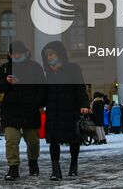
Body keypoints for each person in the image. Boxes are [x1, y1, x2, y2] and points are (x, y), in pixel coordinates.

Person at [0, 39, 45, 181]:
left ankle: (33, 162)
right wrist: (6, 82)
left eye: (19, 53)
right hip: (11, 112)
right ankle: (13, 168)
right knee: (11, 141)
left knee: (33, 142)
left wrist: (37, 103)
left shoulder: (35, 67)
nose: (16, 55)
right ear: (9, 54)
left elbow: (42, 89)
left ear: (25, 53)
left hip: (30, 111)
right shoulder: (4, 68)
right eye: (13, 53)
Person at [40, 41, 88, 181]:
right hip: (53, 112)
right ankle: (56, 170)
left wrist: (84, 104)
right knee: (53, 141)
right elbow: (44, 93)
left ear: (60, 54)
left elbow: (80, 89)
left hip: (70, 111)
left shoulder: (73, 69)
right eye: (46, 55)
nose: (48, 57)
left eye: (51, 54)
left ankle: (73, 165)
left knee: (74, 140)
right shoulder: (47, 73)